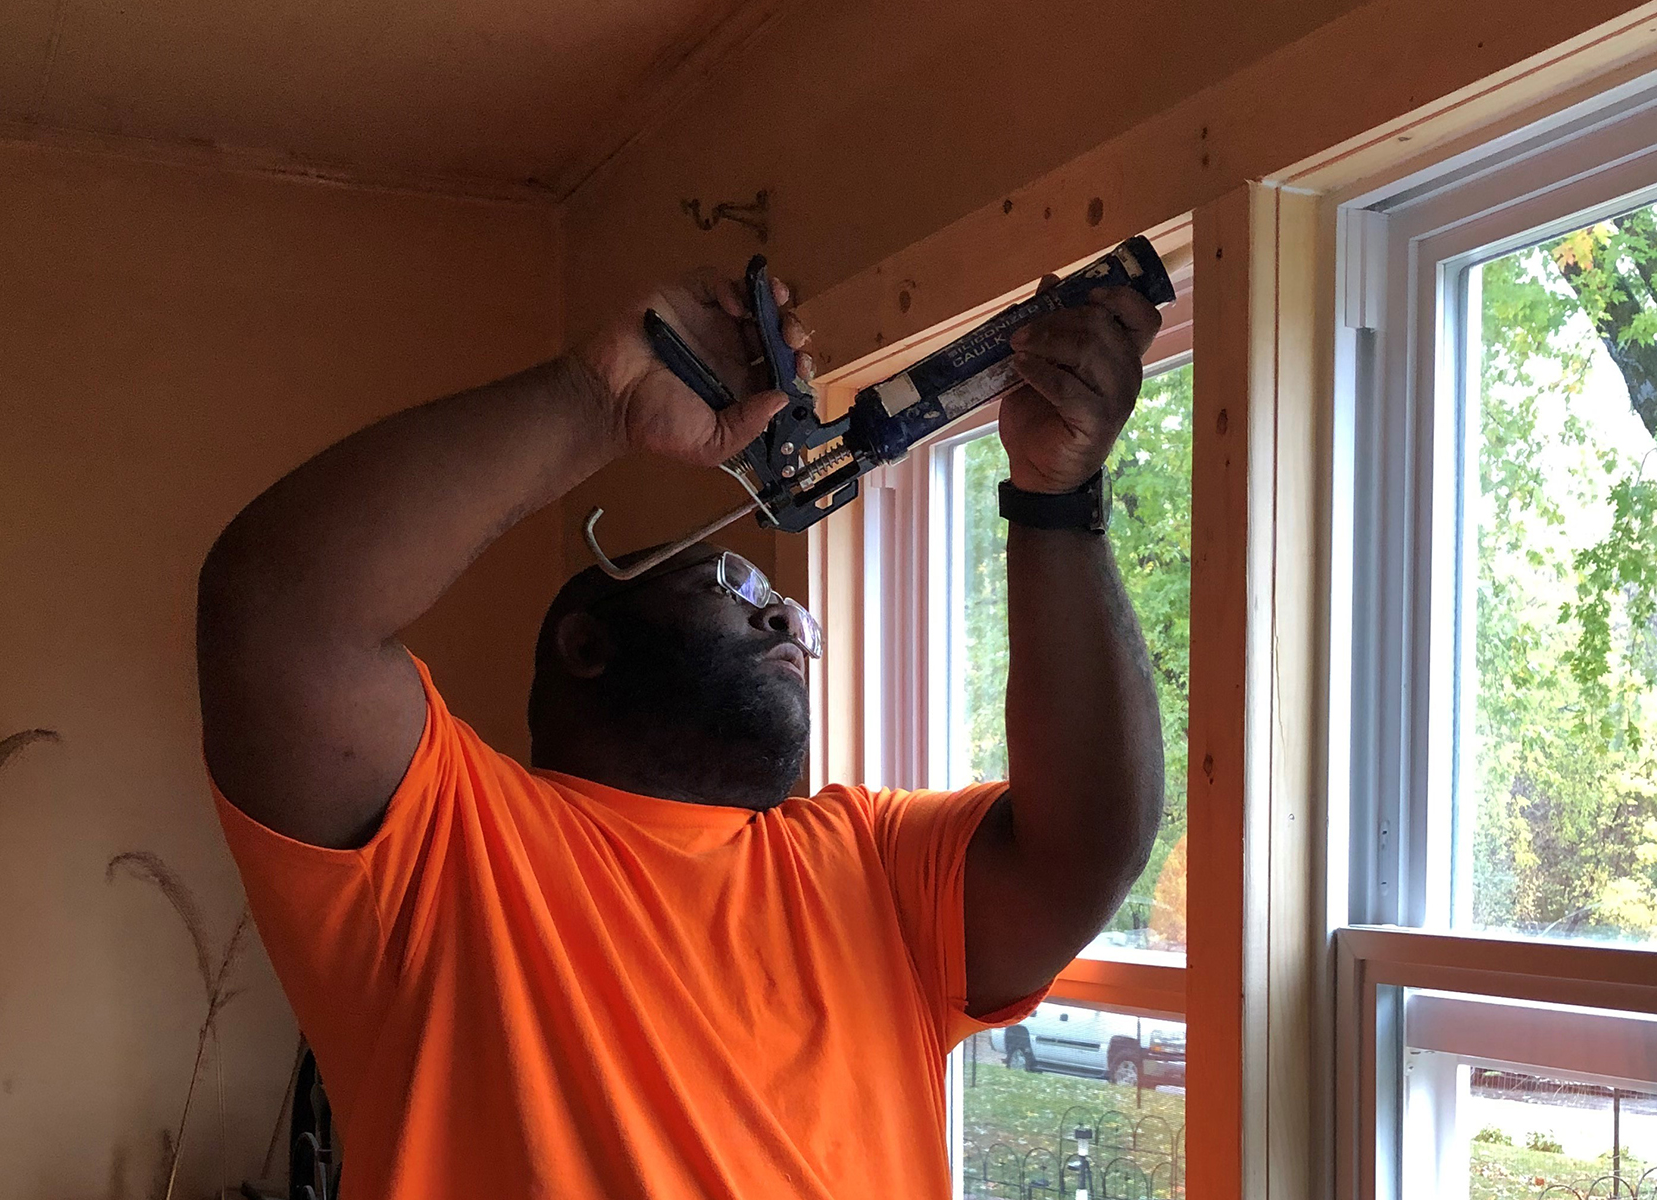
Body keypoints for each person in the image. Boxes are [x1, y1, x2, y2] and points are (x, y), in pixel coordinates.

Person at [196, 266, 1166, 1198]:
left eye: (793, 609)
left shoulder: (869, 862)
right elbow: (281, 616)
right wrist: (595, 400)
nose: (786, 618)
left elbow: (1085, 849)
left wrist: (1054, 497)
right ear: (585, 641)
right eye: (732, 582)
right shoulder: (452, 849)